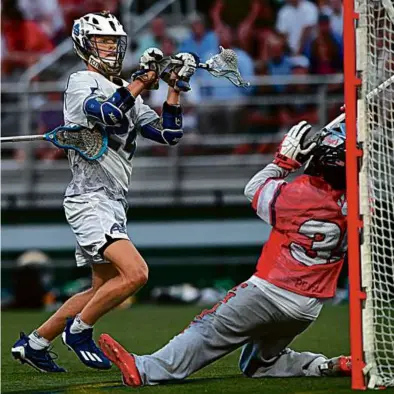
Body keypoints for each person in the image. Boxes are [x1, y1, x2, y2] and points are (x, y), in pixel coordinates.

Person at [98, 120, 352, 386]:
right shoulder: (357, 202)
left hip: (269, 292)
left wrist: (283, 162)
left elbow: (254, 189)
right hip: (307, 308)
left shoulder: (302, 194)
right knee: (260, 363)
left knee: (208, 328)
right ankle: (321, 365)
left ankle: (145, 370)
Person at [11, 10, 198, 373]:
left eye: (115, 42)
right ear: (85, 44)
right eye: (103, 41)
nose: (111, 48)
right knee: (136, 274)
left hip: (112, 200)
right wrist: (143, 80)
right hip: (89, 197)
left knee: (103, 285)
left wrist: (174, 87)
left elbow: (168, 134)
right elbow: (110, 114)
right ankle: (78, 331)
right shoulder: (82, 81)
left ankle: (34, 343)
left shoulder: (124, 89)